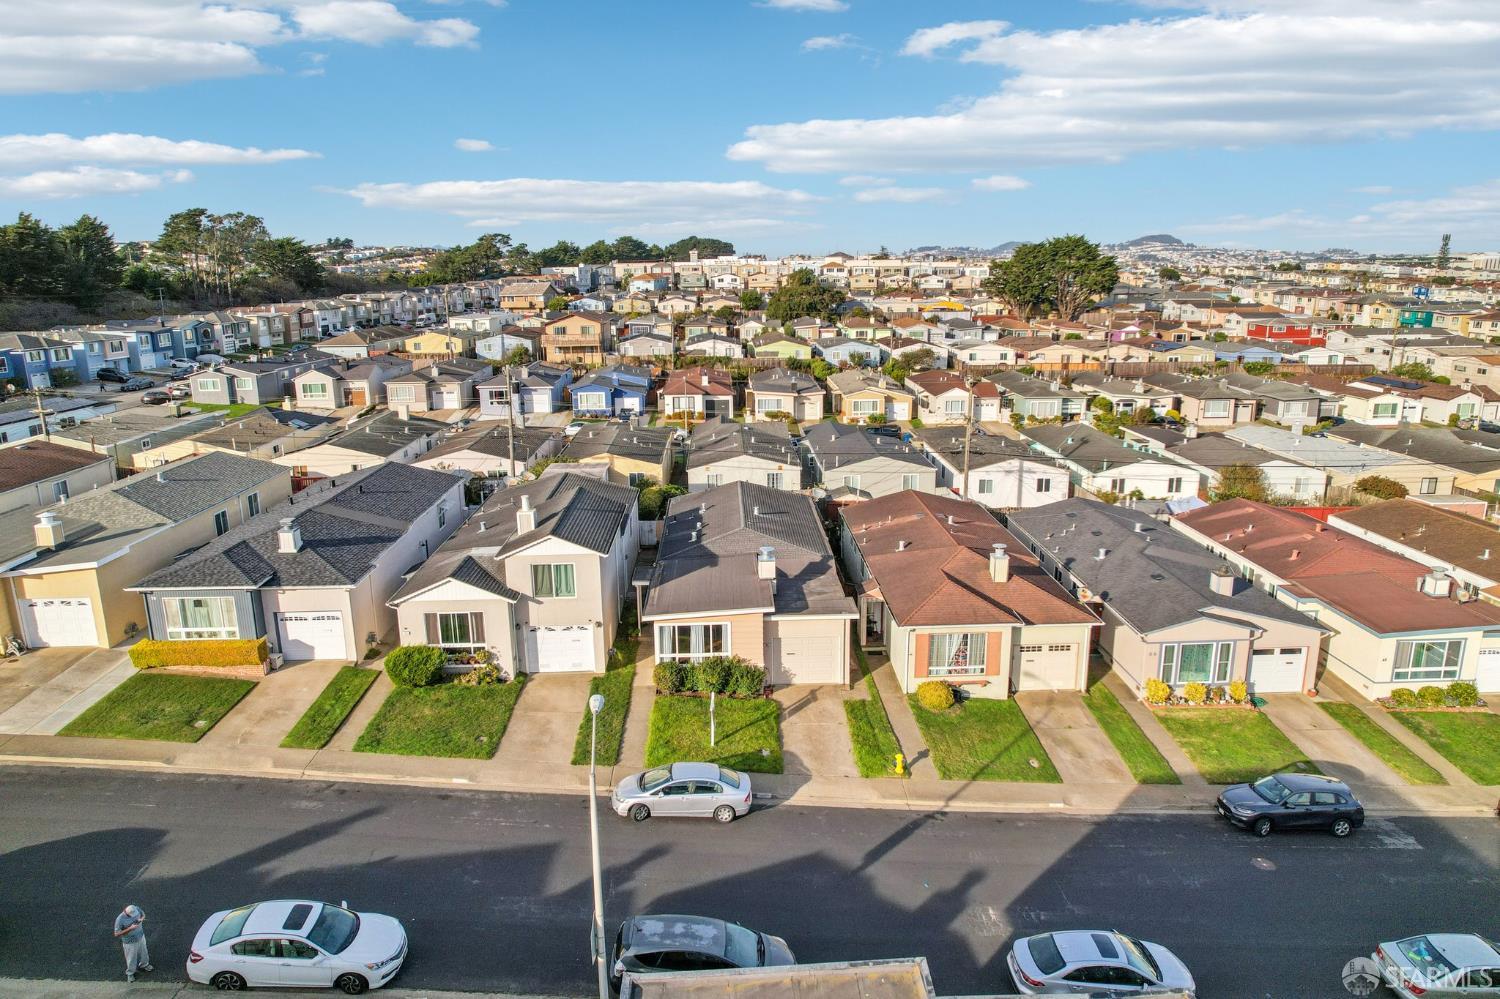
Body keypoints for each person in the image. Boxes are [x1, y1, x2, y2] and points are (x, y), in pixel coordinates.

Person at [113, 905, 153, 982]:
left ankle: (144, 964)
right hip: (129, 942)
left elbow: (143, 914)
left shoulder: (136, 908)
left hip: (140, 936)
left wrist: (142, 919)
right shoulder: (120, 919)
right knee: (131, 957)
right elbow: (117, 934)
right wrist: (130, 928)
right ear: (126, 912)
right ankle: (130, 973)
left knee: (144, 952)